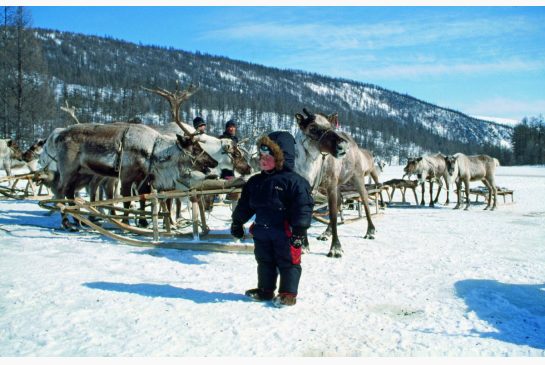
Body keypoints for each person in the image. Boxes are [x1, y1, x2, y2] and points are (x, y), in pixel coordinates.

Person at [230, 131, 314, 307]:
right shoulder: (255, 181)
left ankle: (287, 294)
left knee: (288, 262)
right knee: (264, 261)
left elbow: (303, 208)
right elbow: (245, 205)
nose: (262, 159)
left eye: (268, 156)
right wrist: (237, 222)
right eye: (261, 155)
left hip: (286, 233)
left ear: (281, 157)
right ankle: (265, 290)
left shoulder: (295, 182)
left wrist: (300, 232)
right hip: (262, 230)